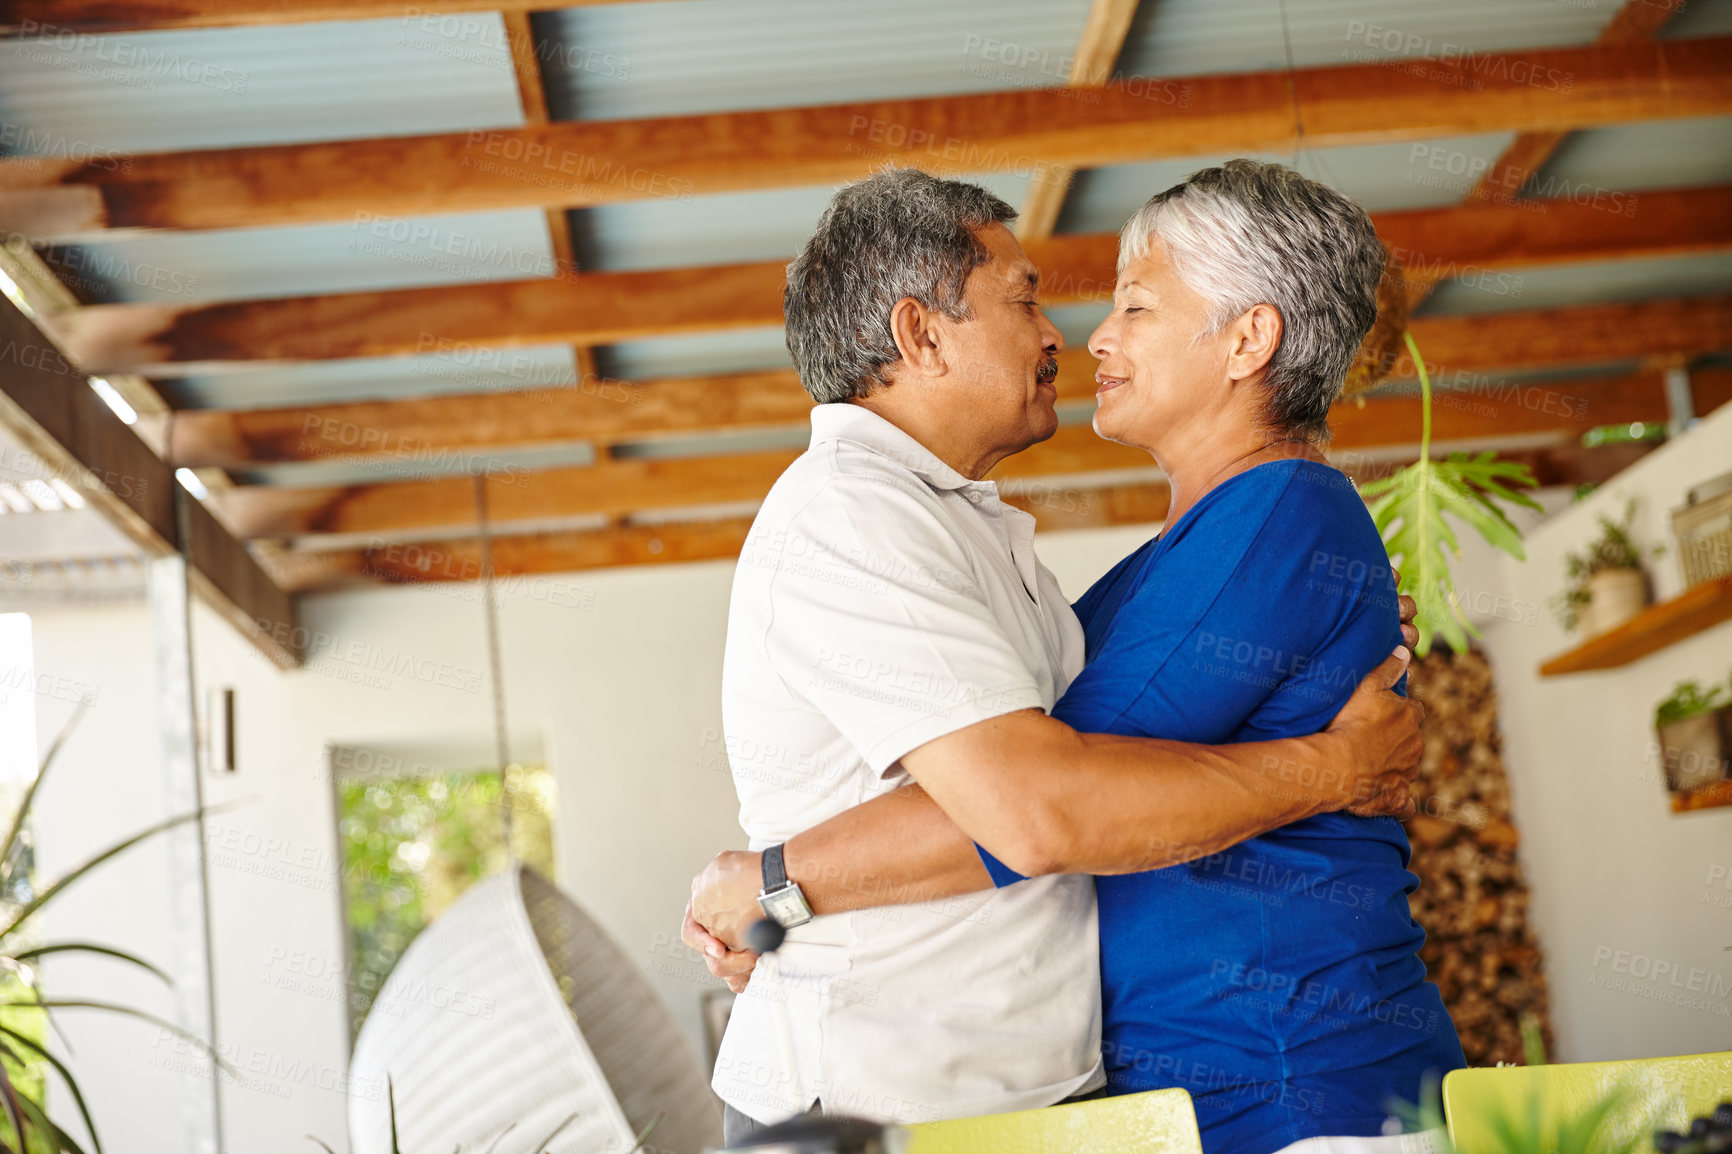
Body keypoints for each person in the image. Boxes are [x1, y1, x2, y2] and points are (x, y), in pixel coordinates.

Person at [687, 167, 1430, 1149]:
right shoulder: (854, 515)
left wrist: (774, 878)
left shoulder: (1252, 518)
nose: (1073, 336)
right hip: (891, 1095)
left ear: (1250, 339)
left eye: (1134, 303)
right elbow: (1041, 801)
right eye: (1025, 298)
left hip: (1251, 1070)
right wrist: (1333, 767)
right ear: (919, 334)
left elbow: (1044, 796)